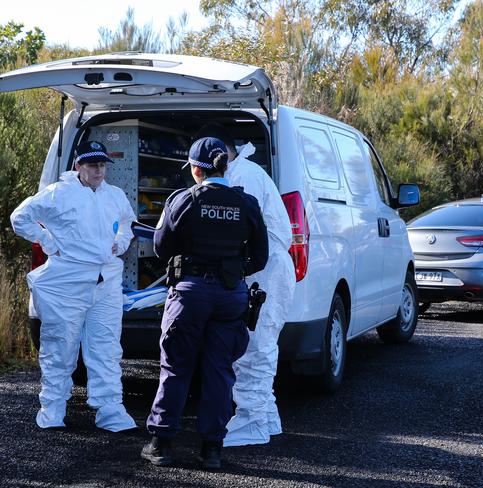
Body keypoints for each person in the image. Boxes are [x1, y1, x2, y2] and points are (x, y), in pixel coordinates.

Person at [141, 137, 268, 469]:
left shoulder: (182, 201)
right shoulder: (247, 203)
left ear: (196, 169)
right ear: (224, 166)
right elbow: (260, 257)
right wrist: (230, 271)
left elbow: (160, 247)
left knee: (176, 367)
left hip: (190, 294)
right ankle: (212, 449)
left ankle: (161, 445)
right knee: (220, 371)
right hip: (230, 296)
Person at [10, 140, 137, 432]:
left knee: (106, 347)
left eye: (102, 165)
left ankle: (110, 410)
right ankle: (52, 411)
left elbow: (128, 223)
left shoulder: (114, 195)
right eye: (93, 165)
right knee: (60, 346)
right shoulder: (58, 194)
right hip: (68, 281)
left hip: (106, 282)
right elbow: (20, 218)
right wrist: (46, 241)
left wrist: (120, 242)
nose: (99, 171)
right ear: (78, 166)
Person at [220, 139, 296, 447]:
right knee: (260, 346)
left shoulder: (243, 177)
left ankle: (251, 423)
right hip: (266, 269)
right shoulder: (244, 171)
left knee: (255, 348)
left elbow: (241, 228)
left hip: (265, 270)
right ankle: (267, 417)